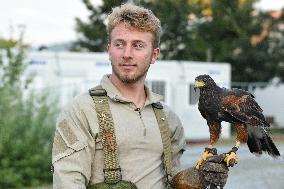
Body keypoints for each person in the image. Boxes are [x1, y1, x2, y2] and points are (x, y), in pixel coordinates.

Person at [52, 3, 228, 189]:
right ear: (109, 50)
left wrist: (199, 177)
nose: (127, 54)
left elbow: (173, 180)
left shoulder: (168, 118)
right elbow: (67, 182)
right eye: (120, 44)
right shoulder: (81, 110)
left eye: (138, 45)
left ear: (154, 55)